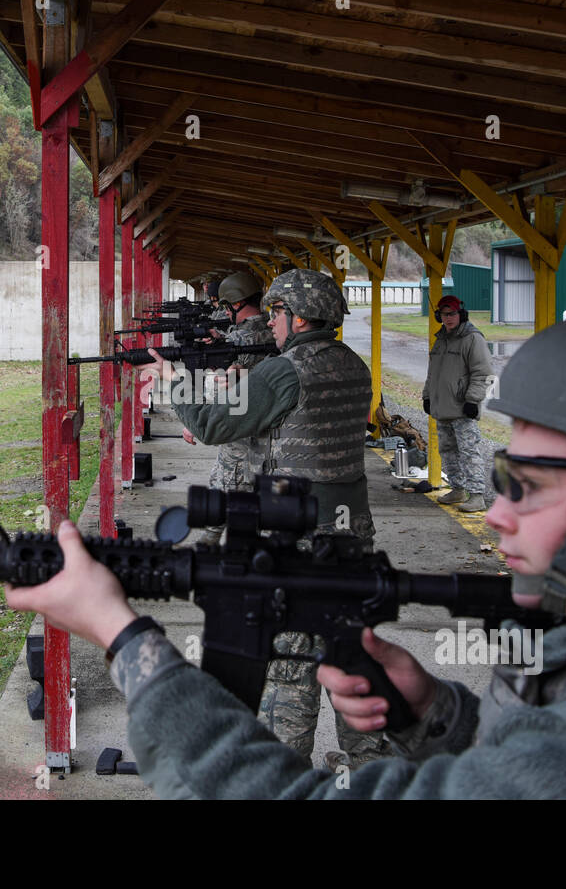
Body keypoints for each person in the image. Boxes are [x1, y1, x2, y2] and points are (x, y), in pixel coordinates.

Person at [6, 314, 566, 799]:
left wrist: (123, 638)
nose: (498, 511)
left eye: (527, 485)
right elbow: (539, 763)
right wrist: (436, 713)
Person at [152, 268, 382, 766]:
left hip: (296, 537)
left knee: (292, 664)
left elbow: (214, 424)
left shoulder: (285, 370)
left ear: (299, 319)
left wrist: (176, 383)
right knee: (351, 650)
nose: (272, 323)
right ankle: (369, 769)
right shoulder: (353, 365)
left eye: (278, 313)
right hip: (351, 534)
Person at [179, 271, 276, 546]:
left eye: (225, 305)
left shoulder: (243, 339)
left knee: (223, 490)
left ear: (235, 304)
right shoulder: (271, 330)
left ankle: (208, 550)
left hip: (242, 432)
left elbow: (225, 386)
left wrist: (195, 420)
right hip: (269, 433)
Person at [423, 295, 493, 513]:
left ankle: (477, 495)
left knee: (469, 450)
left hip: (462, 408)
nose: (449, 318)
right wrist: (427, 396)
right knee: (448, 450)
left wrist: (472, 400)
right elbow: (433, 372)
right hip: (442, 407)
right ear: (439, 316)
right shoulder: (441, 339)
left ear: (461, 314)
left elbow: (483, 373)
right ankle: (458, 489)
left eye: (452, 313)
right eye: (445, 314)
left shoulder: (473, 339)